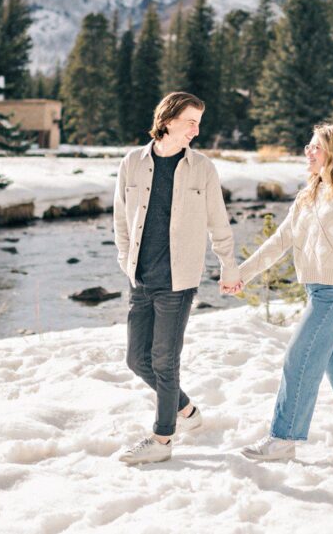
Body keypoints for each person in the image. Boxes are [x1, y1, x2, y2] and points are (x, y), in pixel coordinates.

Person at [235, 123, 333, 461]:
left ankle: (283, 438)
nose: (308, 151)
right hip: (317, 290)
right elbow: (281, 240)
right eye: (308, 146)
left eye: (315, 147)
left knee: (298, 357)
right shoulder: (310, 193)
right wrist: (241, 274)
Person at [113, 92, 241, 465]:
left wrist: (228, 267)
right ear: (167, 119)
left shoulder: (202, 168)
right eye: (190, 122)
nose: (196, 131)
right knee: (137, 360)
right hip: (141, 277)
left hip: (179, 279)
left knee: (164, 361)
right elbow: (121, 218)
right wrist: (125, 259)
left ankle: (163, 438)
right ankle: (186, 411)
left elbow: (219, 222)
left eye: (199, 123)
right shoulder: (132, 163)